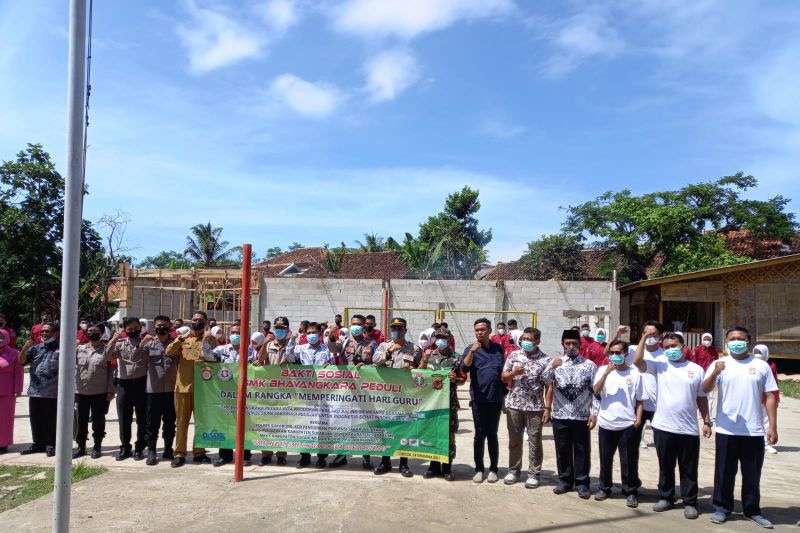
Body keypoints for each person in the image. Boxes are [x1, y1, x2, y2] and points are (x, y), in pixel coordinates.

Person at [702, 326, 778, 528]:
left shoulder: (761, 366)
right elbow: (705, 388)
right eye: (732, 339)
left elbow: (771, 396)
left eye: (740, 338)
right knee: (724, 472)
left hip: (753, 431)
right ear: (727, 342)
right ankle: (722, 508)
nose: (736, 342)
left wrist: (772, 426)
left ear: (749, 341)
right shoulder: (720, 364)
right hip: (727, 429)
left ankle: (752, 510)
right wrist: (715, 373)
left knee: (752, 474)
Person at [633, 332, 711, 519]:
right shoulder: (660, 366)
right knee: (665, 465)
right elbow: (637, 361)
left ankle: (690, 502)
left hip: (688, 428)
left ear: (683, 346)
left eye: (673, 346)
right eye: (666, 347)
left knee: (689, 467)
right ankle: (666, 497)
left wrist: (707, 420)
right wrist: (643, 338)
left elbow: (701, 397)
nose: (670, 350)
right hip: (663, 426)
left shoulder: (696, 369)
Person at [547, 329, 598, 498]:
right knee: (562, 449)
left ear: (580, 345)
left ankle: (582, 483)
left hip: (581, 415)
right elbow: (544, 381)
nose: (571, 347)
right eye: (567, 343)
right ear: (562, 344)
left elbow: (596, 391)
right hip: (560, 414)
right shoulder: (556, 363)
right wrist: (551, 368)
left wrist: (594, 413)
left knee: (582, 450)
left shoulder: (589, 365)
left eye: (574, 344)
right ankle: (564, 480)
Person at [593, 340, 644, 508]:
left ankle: (630, 491)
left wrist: (638, 419)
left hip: (627, 424)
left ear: (625, 354)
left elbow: (639, 400)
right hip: (606, 423)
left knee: (629, 460)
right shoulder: (603, 370)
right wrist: (607, 373)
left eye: (618, 353)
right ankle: (604, 488)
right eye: (612, 352)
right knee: (605, 458)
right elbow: (596, 391)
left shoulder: (635, 373)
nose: (615, 355)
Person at [501, 327, 553, 488]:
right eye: (524, 339)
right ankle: (514, 471)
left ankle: (533, 473)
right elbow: (503, 377)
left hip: (535, 407)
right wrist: (513, 373)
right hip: (514, 405)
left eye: (529, 339)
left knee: (535, 441)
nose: (526, 342)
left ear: (537, 341)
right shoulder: (514, 355)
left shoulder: (545, 360)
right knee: (514, 440)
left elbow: (549, 386)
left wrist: (547, 408)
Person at [165, 310, 218, 467]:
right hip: (182, 387)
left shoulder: (210, 339)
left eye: (200, 320)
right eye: (194, 320)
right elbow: (168, 352)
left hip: (203, 389)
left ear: (206, 322)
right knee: (181, 422)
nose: (196, 322)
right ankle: (180, 453)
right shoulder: (184, 338)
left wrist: (208, 341)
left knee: (201, 423)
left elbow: (217, 358)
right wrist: (180, 339)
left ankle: (199, 452)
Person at [326, 314, 377, 469]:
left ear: (364, 327)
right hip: (345, 389)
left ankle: (366, 456)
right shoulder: (345, 341)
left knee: (364, 422)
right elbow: (332, 348)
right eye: (353, 323)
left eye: (359, 324)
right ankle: (341, 454)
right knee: (342, 422)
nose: (355, 326)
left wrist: (368, 367)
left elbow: (378, 364)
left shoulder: (372, 343)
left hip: (364, 390)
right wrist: (331, 335)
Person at [417, 326, 464, 481]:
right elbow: (419, 374)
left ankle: (447, 467)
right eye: (438, 338)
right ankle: (433, 466)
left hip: (449, 403)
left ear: (449, 339)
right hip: (431, 403)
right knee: (432, 433)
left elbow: (463, 379)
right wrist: (424, 359)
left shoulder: (456, 357)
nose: (440, 341)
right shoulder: (429, 356)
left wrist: (455, 379)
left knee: (448, 435)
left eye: (443, 338)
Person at [461, 317, 505, 484]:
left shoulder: (497, 349)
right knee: (479, 435)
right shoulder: (471, 349)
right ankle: (479, 469)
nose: (479, 332)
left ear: (489, 331)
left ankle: (493, 469)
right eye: (477, 330)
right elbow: (464, 368)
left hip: (495, 399)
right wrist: (472, 351)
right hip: (478, 399)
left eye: (483, 330)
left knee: (492, 435)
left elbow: (502, 370)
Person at [373, 317, 417, 476]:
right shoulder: (384, 345)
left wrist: (415, 366)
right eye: (394, 328)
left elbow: (421, 369)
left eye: (400, 328)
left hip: (404, 396)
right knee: (385, 430)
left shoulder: (413, 348)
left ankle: (404, 463)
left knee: (403, 430)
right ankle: (385, 462)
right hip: (386, 395)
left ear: (405, 330)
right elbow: (375, 359)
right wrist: (390, 350)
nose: (396, 331)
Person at [285, 321, 333, 468]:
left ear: (319, 333)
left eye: (314, 332)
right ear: (305, 334)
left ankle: (321, 457)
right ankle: (305, 456)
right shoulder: (300, 348)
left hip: (322, 395)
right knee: (304, 425)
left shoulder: (327, 349)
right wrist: (291, 341)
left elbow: (334, 366)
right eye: (309, 333)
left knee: (321, 426)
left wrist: (330, 366)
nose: (311, 335)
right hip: (304, 394)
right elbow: (290, 358)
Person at [207, 325, 256, 467]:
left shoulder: (251, 351)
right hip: (225, 394)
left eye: (239, 333)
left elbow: (257, 369)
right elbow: (208, 357)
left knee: (245, 424)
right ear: (229, 334)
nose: (235, 335)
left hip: (245, 394)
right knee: (226, 423)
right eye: (233, 332)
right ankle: (225, 455)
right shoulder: (221, 349)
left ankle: (245, 455)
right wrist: (206, 340)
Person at [106, 317, 149, 461]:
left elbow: (138, 359)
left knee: (142, 418)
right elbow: (107, 356)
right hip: (123, 384)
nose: (133, 330)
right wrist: (113, 339)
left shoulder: (147, 342)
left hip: (141, 384)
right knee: (124, 418)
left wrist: (143, 343)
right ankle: (125, 447)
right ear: (124, 329)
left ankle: (140, 447)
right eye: (129, 328)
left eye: (136, 327)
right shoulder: (119, 343)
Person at [138, 315, 178, 466]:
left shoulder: (175, 343)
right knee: (152, 423)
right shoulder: (149, 344)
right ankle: (152, 451)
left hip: (172, 389)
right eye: (159, 325)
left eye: (165, 325)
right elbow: (137, 359)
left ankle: (168, 449)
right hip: (153, 390)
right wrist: (142, 343)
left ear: (170, 327)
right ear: (154, 327)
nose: (162, 328)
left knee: (170, 421)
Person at [73, 322, 115, 459]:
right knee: (81, 420)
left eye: (96, 331)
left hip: (100, 391)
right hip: (80, 390)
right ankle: (81, 446)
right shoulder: (79, 349)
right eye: (90, 331)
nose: (92, 333)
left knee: (98, 420)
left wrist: (110, 389)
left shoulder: (107, 350)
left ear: (102, 333)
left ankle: (97, 445)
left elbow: (111, 371)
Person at [19, 321, 60, 456]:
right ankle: (38, 443)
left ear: (55, 333)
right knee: (35, 419)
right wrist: (24, 349)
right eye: (42, 331)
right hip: (35, 390)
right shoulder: (36, 348)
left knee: (50, 419)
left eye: (47, 331)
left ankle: (50, 444)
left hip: (52, 392)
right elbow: (22, 361)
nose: (43, 333)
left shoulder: (61, 347)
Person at [255, 316, 292, 466]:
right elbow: (260, 358)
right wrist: (265, 342)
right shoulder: (269, 344)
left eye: (282, 328)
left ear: (287, 329)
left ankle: (281, 454)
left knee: (282, 424)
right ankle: (266, 453)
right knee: (267, 423)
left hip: (285, 390)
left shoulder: (291, 344)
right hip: (269, 390)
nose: (279, 331)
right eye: (277, 328)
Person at [753, 344, 779, 455]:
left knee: (766, 421)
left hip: (767, 398)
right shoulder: (750, 365)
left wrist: (776, 398)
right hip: (753, 397)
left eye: (760, 352)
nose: (758, 354)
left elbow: (774, 383)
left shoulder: (772, 366)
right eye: (756, 351)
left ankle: (766, 443)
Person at [0, 328, 23, 454]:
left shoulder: (14, 353)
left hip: (7, 392)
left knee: (4, 419)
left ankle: (3, 444)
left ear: (7, 339)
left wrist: (18, 389)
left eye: (1, 337)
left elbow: (19, 373)